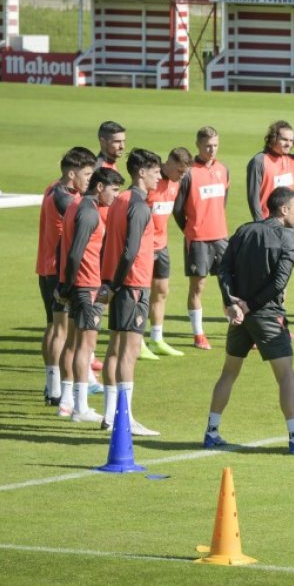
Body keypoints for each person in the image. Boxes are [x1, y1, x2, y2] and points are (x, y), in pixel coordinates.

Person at [204, 187, 294, 455]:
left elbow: (223, 269)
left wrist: (232, 303)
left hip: (239, 317)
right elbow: (279, 282)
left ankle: (211, 431)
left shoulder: (244, 230)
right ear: (284, 210)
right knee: (286, 376)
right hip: (267, 315)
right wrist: (250, 305)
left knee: (229, 372)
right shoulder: (288, 238)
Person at [98, 148, 163, 436]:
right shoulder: (138, 205)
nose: (159, 176)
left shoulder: (119, 200)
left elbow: (109, 244)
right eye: (156, 171)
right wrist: (117, 284)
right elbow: (130, 250)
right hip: (133, 284)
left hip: (119, 282)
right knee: (129, 352)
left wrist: (108, 280)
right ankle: (125, 419)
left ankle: (111, 416)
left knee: (114, 348)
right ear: (141, 173)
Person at [56, 167, 125, 423]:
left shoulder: (75, 206)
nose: (116, 196)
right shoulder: (88, 213)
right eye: (114, 190)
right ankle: (80, 407)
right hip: (88, 286)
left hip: (79, 285)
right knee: (86, 346)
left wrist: (64, 284)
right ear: (99, 187)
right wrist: (67, 285)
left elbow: (63, 246)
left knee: (74, 344)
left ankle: (68, 401)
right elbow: (75, 253)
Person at [36, 147, 95, 406]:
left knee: (53, 327)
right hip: (58, 270)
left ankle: (52, 387)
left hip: (46, 266)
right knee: (63, 332)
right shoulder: (67, 201)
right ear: (72, 174)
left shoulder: (54, 188)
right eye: (86, 174)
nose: (90, 180)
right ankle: (60, 392)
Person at [173, 126, 230, 350]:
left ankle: (236, 330)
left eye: (215, 145)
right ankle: (198, 334)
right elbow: (177, 210)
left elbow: (222, 202)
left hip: (221, 237)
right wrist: (190, 229)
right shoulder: (189, 173)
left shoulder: (224, 170)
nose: (212, 149)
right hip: (197, 239)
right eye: (207, 146)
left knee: (229, 285)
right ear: (198, 145)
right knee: (198, 286)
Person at [144, 147, 191, 358]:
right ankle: (136, 341)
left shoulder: (176, 183)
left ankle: (156, 339)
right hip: (143, 247)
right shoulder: (150, 182)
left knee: (162, 290)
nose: (181, 176)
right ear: (168, 163)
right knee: (141, 294)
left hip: (161, 245)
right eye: (179, 171)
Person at [247, 120, 294, 221]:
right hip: (268, 221)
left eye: (291, 141)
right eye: (284, 140)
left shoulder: (291, 160)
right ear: (273, 138)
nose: (289, 144)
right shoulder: (259, 161)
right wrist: (259, 224)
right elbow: (253, 197)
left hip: (289, 221)